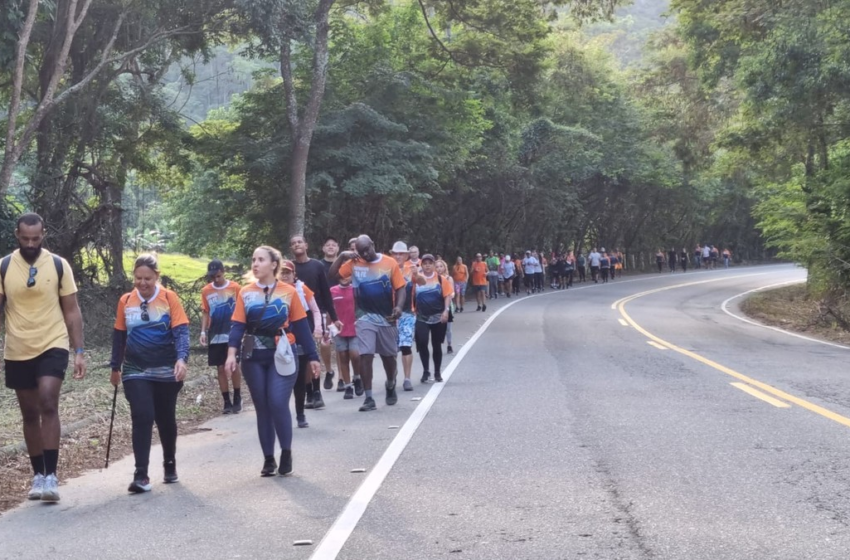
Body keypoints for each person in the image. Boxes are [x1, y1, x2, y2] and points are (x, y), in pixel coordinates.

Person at [1, 213, 85, 502]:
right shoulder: (4, 267)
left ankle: (51, 474)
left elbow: (72, 310)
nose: (30, 243)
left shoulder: (59, 265)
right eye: (25, 238)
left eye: (35, 238)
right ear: (17, 235)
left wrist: (79, 351)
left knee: (48, 400)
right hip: (18, 348)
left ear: (43, 235)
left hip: (53, 342)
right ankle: (37, 475)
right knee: (29, 413)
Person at [226, 246, 320, 477]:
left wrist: (313, 357)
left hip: (283, 355)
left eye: (261, 260)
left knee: (277, 402)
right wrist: (231, 354)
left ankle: (286, 451)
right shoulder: (245, 292)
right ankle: (269, 459)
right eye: (253, 260)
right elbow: (238, 325)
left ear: (274, 264)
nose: (255, 264)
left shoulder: (289, 292)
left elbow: (301, 327)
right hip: (253, 357)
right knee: (263, 407)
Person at [111, 254, 189, 493]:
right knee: (142, 415)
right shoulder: (126, 300)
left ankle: (169, 463)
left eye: (147, 278)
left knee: (165, 418)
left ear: (157, 276)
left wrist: (182, 359)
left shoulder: (168, 297)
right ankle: (141, 475)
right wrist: (115, 367)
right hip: (135, 369)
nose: (142, 283)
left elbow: (181, 331)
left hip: (166, 368)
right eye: (138, 278)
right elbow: (119, 336)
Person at [329, 235, 406, 410]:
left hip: (387, 318)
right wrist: (342, 256)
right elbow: (333, 275)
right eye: (361, 251)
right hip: (364, 317)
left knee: (389, 358)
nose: (365, 254)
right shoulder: (355, 263)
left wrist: (399, 307)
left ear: (373, 244)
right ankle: (369, 398)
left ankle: (391, 382)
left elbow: (400, 287)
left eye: (367, 249)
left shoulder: (389, 263)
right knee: (366, 354)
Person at [290, 235, 341, 405]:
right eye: (293, 243)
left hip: (315, 314)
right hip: (294, 317)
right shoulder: (289, 268)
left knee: (312, 353)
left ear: (306, 245)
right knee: (301, 357)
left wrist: (334, 318)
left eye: (299, 242)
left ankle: (317, 392)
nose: (297, 245)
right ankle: (309, 392)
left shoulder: (317, 266)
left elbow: (326, 294)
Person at [280, 260, 324, 428]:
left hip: (300, 333)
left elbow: (315, 310)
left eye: (287, 272)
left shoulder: (301, 290)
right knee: (282, 379)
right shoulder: (272, 291)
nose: (285, 275)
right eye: (282, 272)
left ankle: (300, 413)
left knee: (299, 377)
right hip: (279, 338)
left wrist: (318, 328)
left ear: (294, 274)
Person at [200, 259, 242, 415]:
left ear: (223, 272)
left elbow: (241, 309)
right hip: (215, 333)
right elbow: (205, 311)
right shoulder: (206, 291)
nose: (215, 280)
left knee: (234, 365)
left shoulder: (235, 288)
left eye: (218, 276)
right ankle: (226, 401)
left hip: (232, 331)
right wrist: (203, 331)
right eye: (212, 277)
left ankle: (238, 395)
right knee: (220, 368)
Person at [413, 255, 453, 383]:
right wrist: (412, 311)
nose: (428, 265)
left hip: (438, 317)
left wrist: (446, 311)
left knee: (437, 345)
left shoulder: (441, 279)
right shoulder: (416, 279)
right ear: (421, 265)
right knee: (423, 342)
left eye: (430, 263)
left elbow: (447, 295)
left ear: (434, 265)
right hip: (421, 317)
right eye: (425, 263)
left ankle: (437, 372)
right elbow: (410, 294)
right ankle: (426, 371)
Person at [391, 241, 416, 391]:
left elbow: (422, 281)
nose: (398, 256)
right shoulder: (385, 269)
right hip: (390, 315)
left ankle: (407, 378)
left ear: (407, 255)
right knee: (391, 349)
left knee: (406, 346)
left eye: (401, 253)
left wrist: (417, 274)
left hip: (407, 313)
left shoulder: (411, 269)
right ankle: (392, 376)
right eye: (396, 253)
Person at [330, 275, 361, 399]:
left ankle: (357, 378)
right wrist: (328, 327)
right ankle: (348, 386)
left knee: (355, 354)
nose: (344, 277)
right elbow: (329, 309)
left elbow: (361, 306)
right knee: (343, 356)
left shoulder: (356, 289)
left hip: (355, 327)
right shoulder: (332, 290)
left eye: (347, 275)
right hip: (339, 328)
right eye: (341, 275)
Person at [436, 259, 455, 354]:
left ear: (444, 267)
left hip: (446, 305)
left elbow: (452, 292)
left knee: (448, 327)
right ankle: (437, 345)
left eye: (441, 266)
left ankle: (449, 344)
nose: (439, 268)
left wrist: (450, 296)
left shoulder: (448, 278)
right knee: (437, 327)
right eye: (437, 266)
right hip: (436, 306)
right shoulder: (433, 278)